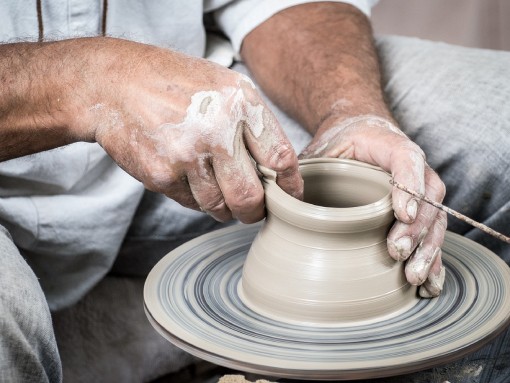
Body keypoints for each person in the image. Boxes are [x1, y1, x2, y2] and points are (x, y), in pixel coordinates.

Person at [0, 1, 508, 382]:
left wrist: (350, 107)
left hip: (195, 113)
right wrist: (82, 81)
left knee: (498, 128)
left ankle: (144, 333)